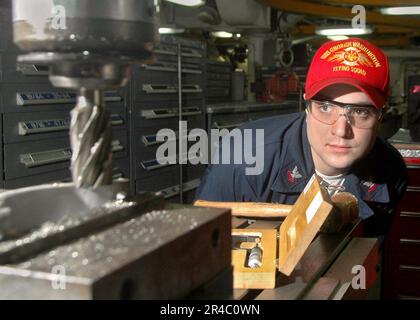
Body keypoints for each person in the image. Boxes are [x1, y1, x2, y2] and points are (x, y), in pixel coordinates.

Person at [195, 37, 407, 237]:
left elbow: (368, 251)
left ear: (381, 116)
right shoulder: (244, 156)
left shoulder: (390, 171)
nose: (341, 130)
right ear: (306, 106)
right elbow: (202, 246)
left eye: (360, 112)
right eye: (325, 107)